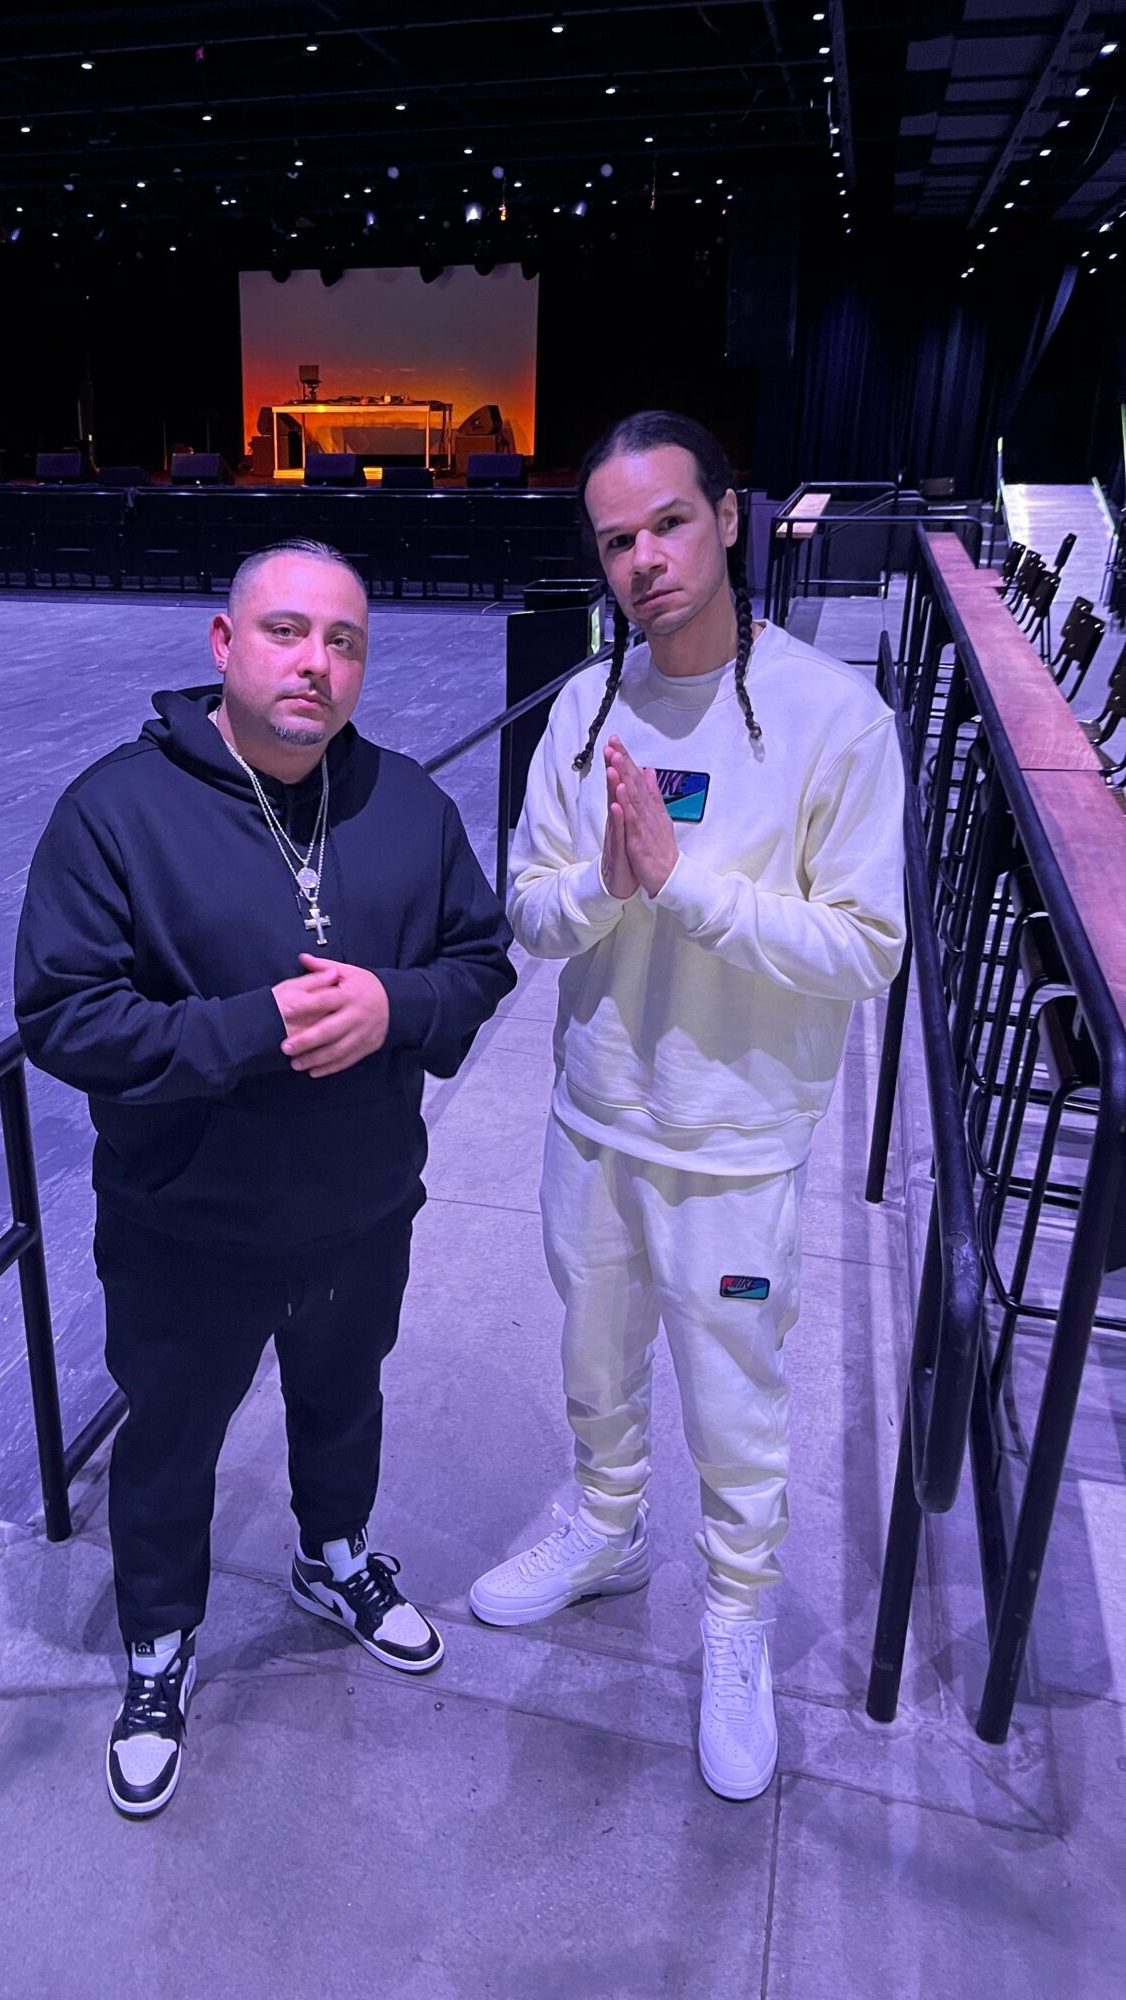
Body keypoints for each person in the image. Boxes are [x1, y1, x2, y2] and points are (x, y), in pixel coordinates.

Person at [15, 539, 515, 1819]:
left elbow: (479, 961)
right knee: (172, 1439)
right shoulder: (115, 810)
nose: (317, 662)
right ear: (224, 644)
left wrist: (397, 1005)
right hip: (186, 1220)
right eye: (287, 631)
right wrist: (253, 1028)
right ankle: (160, 1635)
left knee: (343, 1401)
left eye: (345, 640)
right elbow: (64, 1014)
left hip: (361, 1204)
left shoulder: (407, 802)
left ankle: (332, 1553)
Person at [468, 410, 906, 1801]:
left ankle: (736, 1615)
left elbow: (866, 947)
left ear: (727, 517)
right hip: (595, 1116)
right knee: (594, 1364)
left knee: (735, 1401)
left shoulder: (835, 718)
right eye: (616, 540)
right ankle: (605, 1527)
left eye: (667, 522)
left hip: (736, 1140)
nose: (644, 559)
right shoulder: (581, 713)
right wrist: (609, 882)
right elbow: (531, 912)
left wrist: (683, 885)